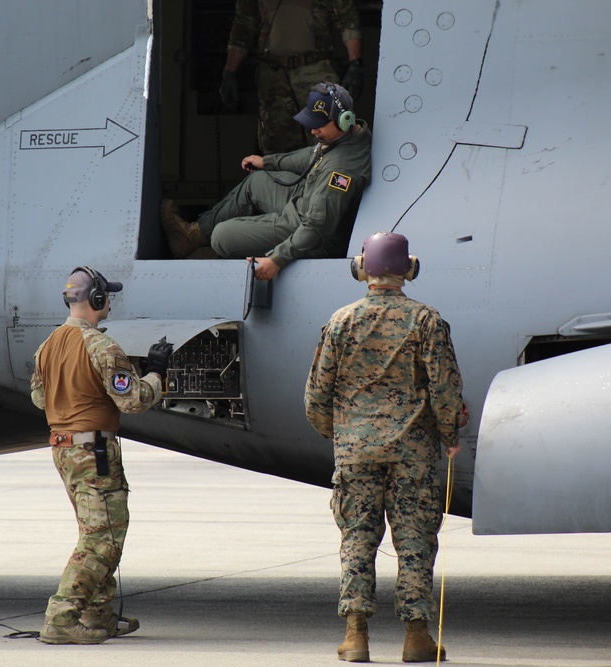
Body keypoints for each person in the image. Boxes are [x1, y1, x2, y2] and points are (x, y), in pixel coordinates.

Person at [304, 232, 464, 663]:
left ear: (362, 269)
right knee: (414, 539)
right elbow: (445, 389)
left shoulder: (341, 321)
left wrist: (341, 435)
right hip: (413, 452)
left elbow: (316, 396)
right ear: (409, 269)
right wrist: (449, 435)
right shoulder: (426, 321)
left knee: (357, 537)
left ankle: (355, 637)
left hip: (356, 452)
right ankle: (416, 638)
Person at [30, 266, 173, 645]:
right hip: (94, 453)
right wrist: (158, 372)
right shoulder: (101, 346)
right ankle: (62, 616)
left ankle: (97, 613)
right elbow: (134, 400)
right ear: (97, 299)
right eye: (107, 295)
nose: (109, 301)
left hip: (65, 451)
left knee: (96, 530)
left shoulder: (47, 346)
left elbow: (39, 398)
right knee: (103, 539)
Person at [161, 82, 371, 281]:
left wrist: (277, 259)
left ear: (344, 120)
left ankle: (228, 236)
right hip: (306, 198)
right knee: (256, 181)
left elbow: (317, 228)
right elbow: (312, 155)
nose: (313, 131)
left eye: (318, 125)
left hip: (310, 230)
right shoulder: (347, 135)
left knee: (221, 236)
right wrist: (267, 161)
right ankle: (192, 236)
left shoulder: (340, 171)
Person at [220, 0, 364, 154]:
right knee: (278, 145)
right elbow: (243, 26)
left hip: (315, 68)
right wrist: (230, 71)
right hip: (274, 74)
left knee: (330, 141)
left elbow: (347, 16)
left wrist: (355, 62)